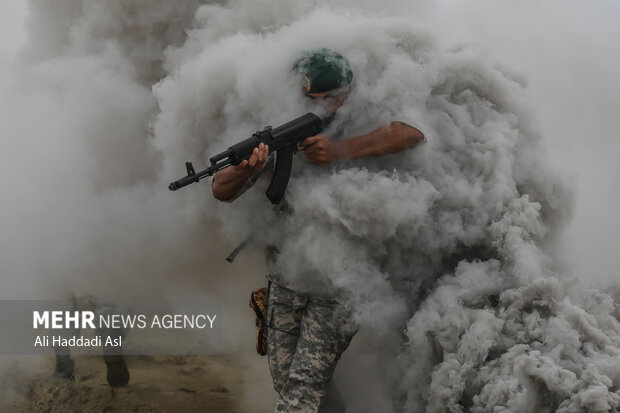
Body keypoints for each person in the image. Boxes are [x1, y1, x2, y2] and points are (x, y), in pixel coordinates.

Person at [212, 48, 424, 412]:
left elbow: (411, 134)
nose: (322, 106)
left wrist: (340, 149)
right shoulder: (284, 120)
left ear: (349, 91)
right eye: (310, 98)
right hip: (287, 277)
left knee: (300, 394)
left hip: (341, 278)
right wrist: (248, 168)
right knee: (289, 382)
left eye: (331, 98)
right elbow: (220, 188)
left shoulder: (365, 115)